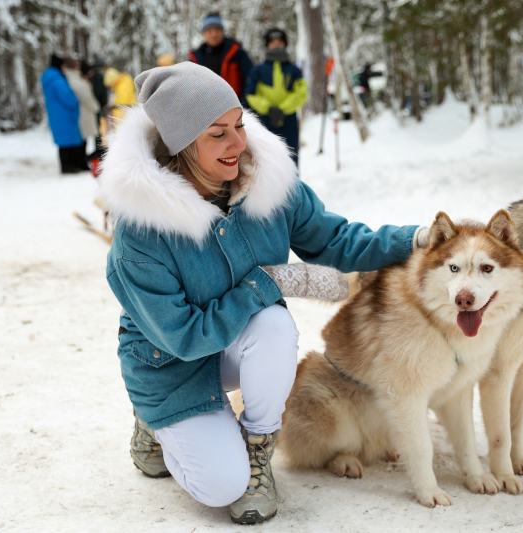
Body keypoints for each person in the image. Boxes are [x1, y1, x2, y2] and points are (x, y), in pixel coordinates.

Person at [97, 62, 426, 524]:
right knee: (219, 487)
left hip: (237, 346)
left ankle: (256, 451)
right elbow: (185, 338)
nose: (238, 144)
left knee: (273, 324)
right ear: (181, 144)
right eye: (218, 134)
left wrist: (415, 240)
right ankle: (155, 423)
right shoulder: (142, 235)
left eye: (239, 125)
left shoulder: (265, 184)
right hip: (169, 364)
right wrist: (269, 281)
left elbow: (336, 241)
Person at [245, 28, 307, 166]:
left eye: (279, 41)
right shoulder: (258, 70)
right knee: (266, 162)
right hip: (264, 121)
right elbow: (251, 94)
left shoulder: (294, 70)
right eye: (272, 42)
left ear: (285, 44)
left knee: (291, 160)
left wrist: (283, 109)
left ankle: (294, 188)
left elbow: (301, 93)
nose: (276, 44)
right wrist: (268, 108)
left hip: (289, 120)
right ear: (267, 45)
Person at [188, 12, 254, 105]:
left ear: (222, 31)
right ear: (204, 33)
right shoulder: (195, 58)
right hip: (206, 111)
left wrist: (242, 107)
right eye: (209, 31)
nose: (214, 34)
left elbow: (250, 81)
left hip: (234, 110)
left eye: (217, 30)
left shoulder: (237, 53)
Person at [40, 53, 86, 174]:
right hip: (64, 115)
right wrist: (76, 101)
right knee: (67, 141)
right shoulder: (57, 80)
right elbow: (68, 97)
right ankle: (68, 167)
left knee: (64, 141)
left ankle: (67, 166)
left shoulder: (51, 78)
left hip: (58, 115)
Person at [64, 57, 101, 167]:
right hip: (84, 111)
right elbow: (85, 96)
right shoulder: (74, 79)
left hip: (84, 111)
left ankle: (81, 161)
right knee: (82, 138)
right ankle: (81, 162)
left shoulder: (74, 78)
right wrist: (96, 107)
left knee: (83, 138)